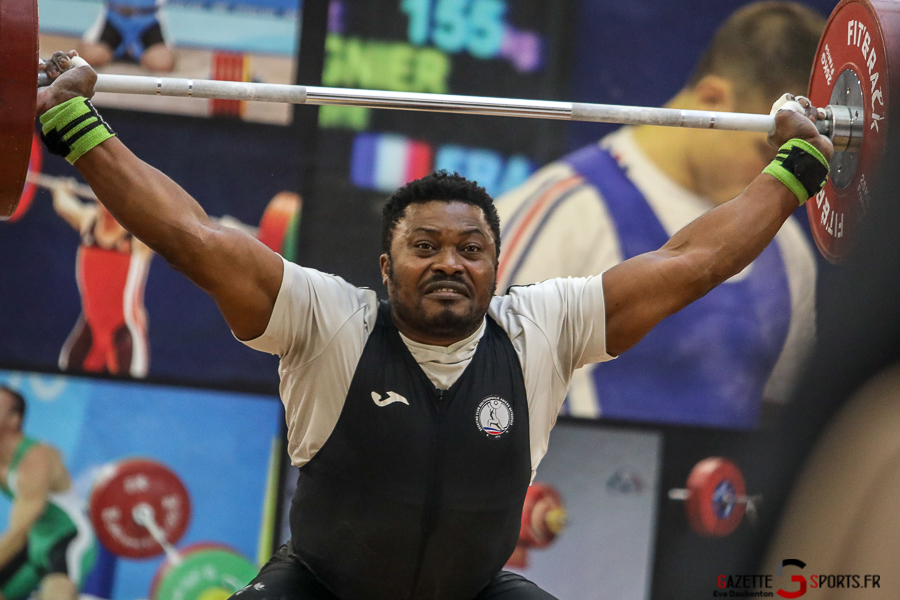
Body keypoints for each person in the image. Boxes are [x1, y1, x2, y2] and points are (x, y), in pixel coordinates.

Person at [35, 51, 833, 599]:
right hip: (320, 589)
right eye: (425, 247)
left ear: (496, 266)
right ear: (386, 268)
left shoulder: (543, 329)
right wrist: (76, 125)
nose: (449, 263)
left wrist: (796, 168)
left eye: (470, 250)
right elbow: (195, 238)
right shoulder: (329, 320)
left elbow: (691, 262)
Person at [495, 2, 825, 427]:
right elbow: (480, 391)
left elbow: (781, 415)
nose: (773, 175)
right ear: (713, 99)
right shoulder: (565, 213)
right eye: (768, 153)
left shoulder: (786, 249)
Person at [0, 387, 96, 600]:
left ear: (14, 420)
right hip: (35, 541)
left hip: (67, 538)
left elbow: (17, 535)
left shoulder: (35, 460)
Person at [51, 180, 154, 379]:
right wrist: (61, 189)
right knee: (66, 375)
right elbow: (63, 205)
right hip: (91, 326)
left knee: (130, 390)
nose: (108, 211)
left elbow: (178, 231)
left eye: (115, 205)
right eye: (104, 201)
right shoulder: (89, 220)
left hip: (124, 331)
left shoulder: (139, 236)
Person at [78, 0, 176, 73]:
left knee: (162, 64)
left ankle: (135, 54)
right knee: (89, 57)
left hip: (150, 19)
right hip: (114, 17)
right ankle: (117, 52)